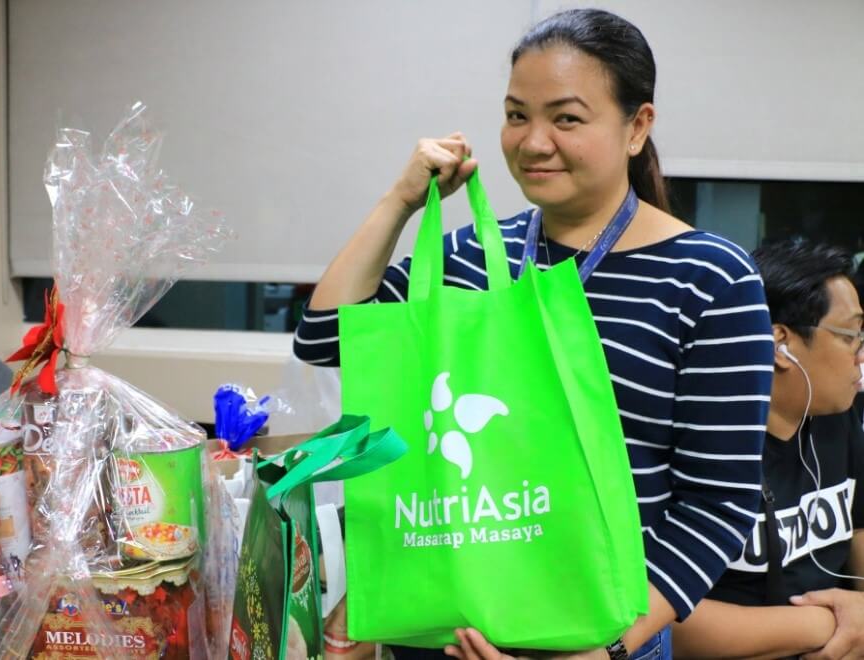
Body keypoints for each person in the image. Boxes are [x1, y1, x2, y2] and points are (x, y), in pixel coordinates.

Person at [294, 9, 774, 659]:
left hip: (598, 636)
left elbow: (715, 506)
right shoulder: (464, 260)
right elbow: (324, 339)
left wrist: (604, 648)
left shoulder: (710, 279)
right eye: (517, 115)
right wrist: (399, 202)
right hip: (443, 621)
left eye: (566, 118)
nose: (533, 141)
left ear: (638, 127)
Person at [672, 241, 864, 659]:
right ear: (781, 344)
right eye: (851, 336)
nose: (860, 357)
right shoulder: (703, 442)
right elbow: (664, 623)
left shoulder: (839, 416)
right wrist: (832, 623)